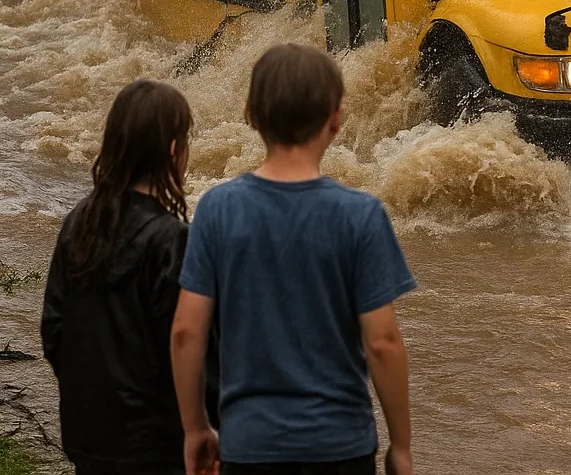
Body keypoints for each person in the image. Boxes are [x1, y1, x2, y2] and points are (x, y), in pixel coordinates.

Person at [171, 44, 416, 475]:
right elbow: (382, 342)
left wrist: (196, 429)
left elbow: (187, 332)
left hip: (249, 445)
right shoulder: (360, 216)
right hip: (340, 446)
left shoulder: (218, 209)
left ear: (251, 115)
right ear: (336, 118)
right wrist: (400, 446)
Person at [41, 80, 216, 475]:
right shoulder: (172, 239)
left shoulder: (79, 221)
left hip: (88, 433)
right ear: (174, 150)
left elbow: (54, 328)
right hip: (155, 444)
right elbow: (188, 347)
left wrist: (90, 391)